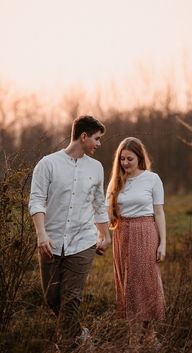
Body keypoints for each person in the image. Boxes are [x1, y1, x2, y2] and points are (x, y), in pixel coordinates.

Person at [29, 115, 111, 352]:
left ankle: (65, 346)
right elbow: (36, 201)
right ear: (83, 136)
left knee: (71, 299)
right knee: (52, 298)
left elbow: (98, 203)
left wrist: (104, 235)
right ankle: (80, 335)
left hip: (83, 242)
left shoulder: (96, 168)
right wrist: (41, 235)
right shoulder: (48, 164)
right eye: (96, 139)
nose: (99, 144)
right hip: (51, 242)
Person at [106, 137, 166, 352]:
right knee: (127, 285)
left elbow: (159, 212)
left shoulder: (152, 179)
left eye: (129, 158)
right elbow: (106, 213)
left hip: (146, 231)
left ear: (139, 158)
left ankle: (149, 336)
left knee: (146, 284)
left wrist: (163, 243)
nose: (125, 163)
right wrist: (100, 235)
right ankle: (134, 337)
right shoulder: (116, 181)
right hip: (123, 234)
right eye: (121, 159)